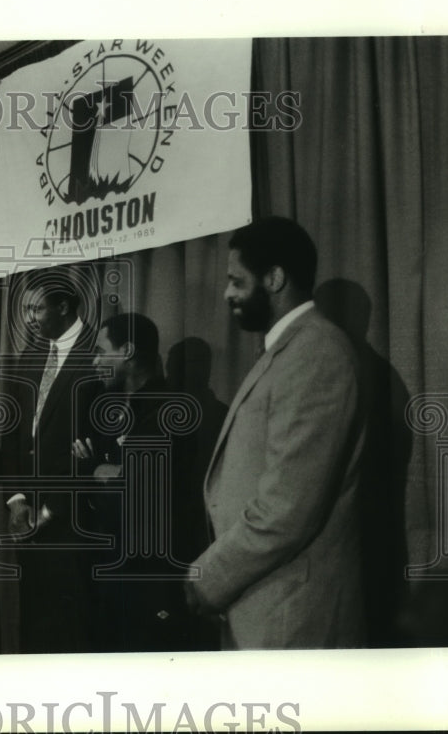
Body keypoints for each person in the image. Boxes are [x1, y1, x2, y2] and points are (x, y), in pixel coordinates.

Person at [185, 217, 367, 649]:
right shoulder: (290, 349)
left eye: (236, 280)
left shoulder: (316, 352)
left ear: (275, 278)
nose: (228, 293)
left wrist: (207, 579)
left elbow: (286, 510)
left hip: (292, 619)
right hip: (266, 607)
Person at [73, 312, 206, 651]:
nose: (95, 360)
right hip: (108, 578)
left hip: (150, 583)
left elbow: (142, 499)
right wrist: (101, 473)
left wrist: (99, 472)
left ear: (128, 350)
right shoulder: (108, 411)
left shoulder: (170, 413)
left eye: (102, 351)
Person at [3, 266, 100, 653]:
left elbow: (99, 446)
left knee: (73, 630)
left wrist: (49, 511)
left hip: (74, 520)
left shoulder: (100, 354)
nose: (29, 318)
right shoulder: (30, 354)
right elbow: (12, 434)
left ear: (63, 306)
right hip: (27, 517)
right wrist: (17, 500)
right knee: (36, 625)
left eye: (36, 309)